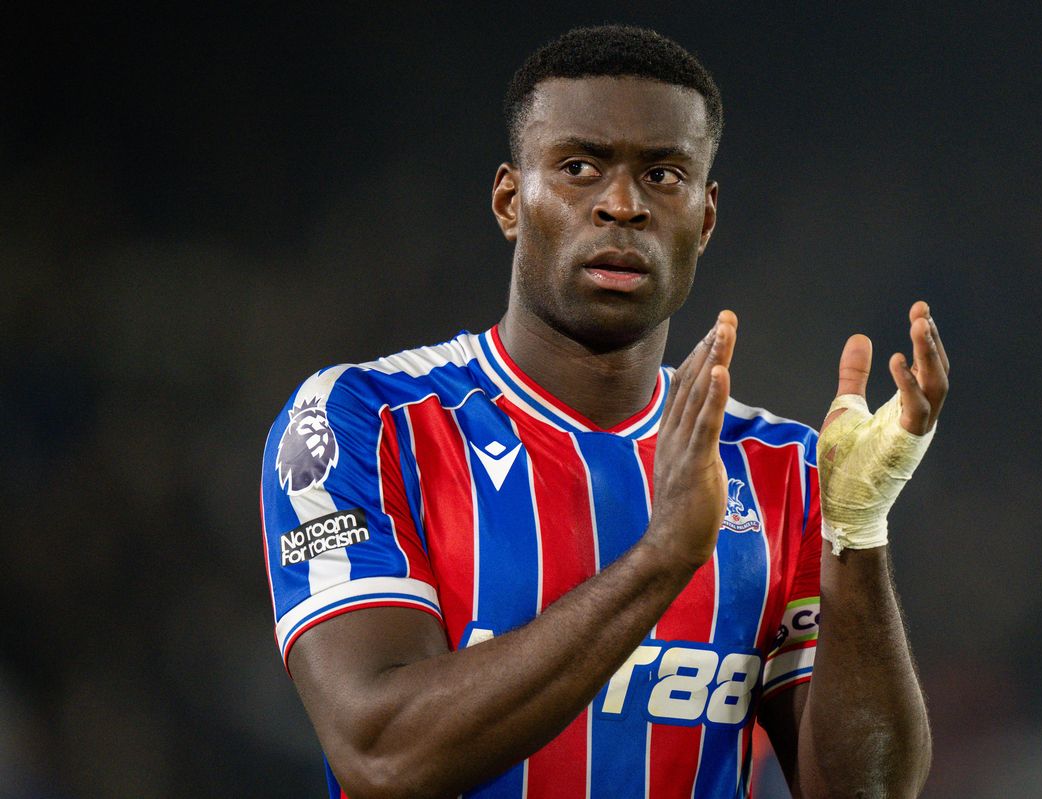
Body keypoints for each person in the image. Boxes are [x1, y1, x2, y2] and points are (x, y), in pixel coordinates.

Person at [260, 24, 948, 799]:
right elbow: (382, 753)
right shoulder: (365, 422)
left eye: (663, 175)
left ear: (705, 219)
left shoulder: (782, 469)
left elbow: (863, 793)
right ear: (510, 200)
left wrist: (856, 535)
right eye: (579, 168)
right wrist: (661, 558)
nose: (622, 205)